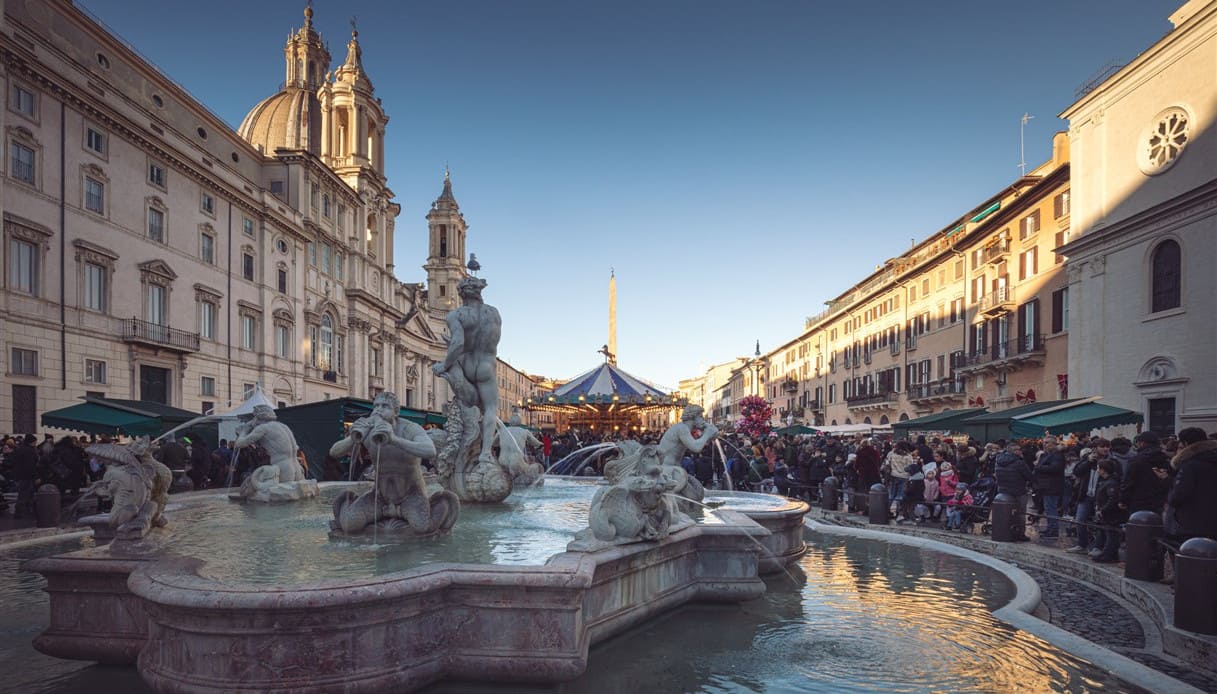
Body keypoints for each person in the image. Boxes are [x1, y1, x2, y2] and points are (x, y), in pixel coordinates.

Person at [432, 276, 502, 464]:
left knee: (466, 405)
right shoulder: (494, 313)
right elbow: (493, 341)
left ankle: (463, 449)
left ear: (461, 294)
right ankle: (485, 453)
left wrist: (444, 365)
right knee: (490, 409)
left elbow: (458, 344)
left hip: (466, 366)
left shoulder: (456, 315)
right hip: (487, 366)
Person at [1165, 427, 1217, 542]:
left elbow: (1178, 496)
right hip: (1213, 523)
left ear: (1186, 443)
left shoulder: (1189, 465)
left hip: (1193, 524)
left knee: (1191, 555)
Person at [1120, 431, 1172, 516]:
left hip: (1139, 503)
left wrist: (1123, 500)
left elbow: (1128, 482)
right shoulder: (1166, 459)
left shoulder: (1136, 460)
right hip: (1160, 502)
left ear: (1141, 443)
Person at [995, 442, 1034, 541]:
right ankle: (1020, 533)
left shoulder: (998, 460)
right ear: (1015, 451)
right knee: (1021, 513)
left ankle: (1004, 530)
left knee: (1005, 512)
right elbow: (1028, 476)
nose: (1021, 451)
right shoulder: (1019, 462)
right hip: (1018, 491)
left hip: (1002, 490)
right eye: (1019, 450)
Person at [1033, 436, 1067, 538]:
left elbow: (1055, 468)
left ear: (1053, 444)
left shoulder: (1057, 455)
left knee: (1051, 508)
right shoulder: (1046, 455)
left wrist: (1039, 467)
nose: (1044, 444)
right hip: (1045, 486)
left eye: (1047, 442)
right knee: (1048, 508)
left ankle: (1053, 530)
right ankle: (1050, 528)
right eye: (1044, 442)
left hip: (1052, 486)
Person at [1092, 459, 1124, 563]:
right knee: (1109, 533)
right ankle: (1109, 553)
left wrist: (1103, 509)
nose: (1097, 470)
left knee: (1111, 534)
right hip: (1106, 512)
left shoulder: (1111, 483)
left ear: (1103, 470)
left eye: (1098, 468)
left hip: (1110, 513)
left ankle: (1108, 554)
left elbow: (1112, 499)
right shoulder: (1107, 481)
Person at [10, 434, 39, 519]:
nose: (35, 444)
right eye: (35, 442)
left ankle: (25, 510)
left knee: (25, 493)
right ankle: (21, 512)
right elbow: (30, 466)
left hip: (20, 475)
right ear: (31, 442)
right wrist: (36, 476)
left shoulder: (20, 449)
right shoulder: (29, 451)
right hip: (27, 476)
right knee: (24, 493)